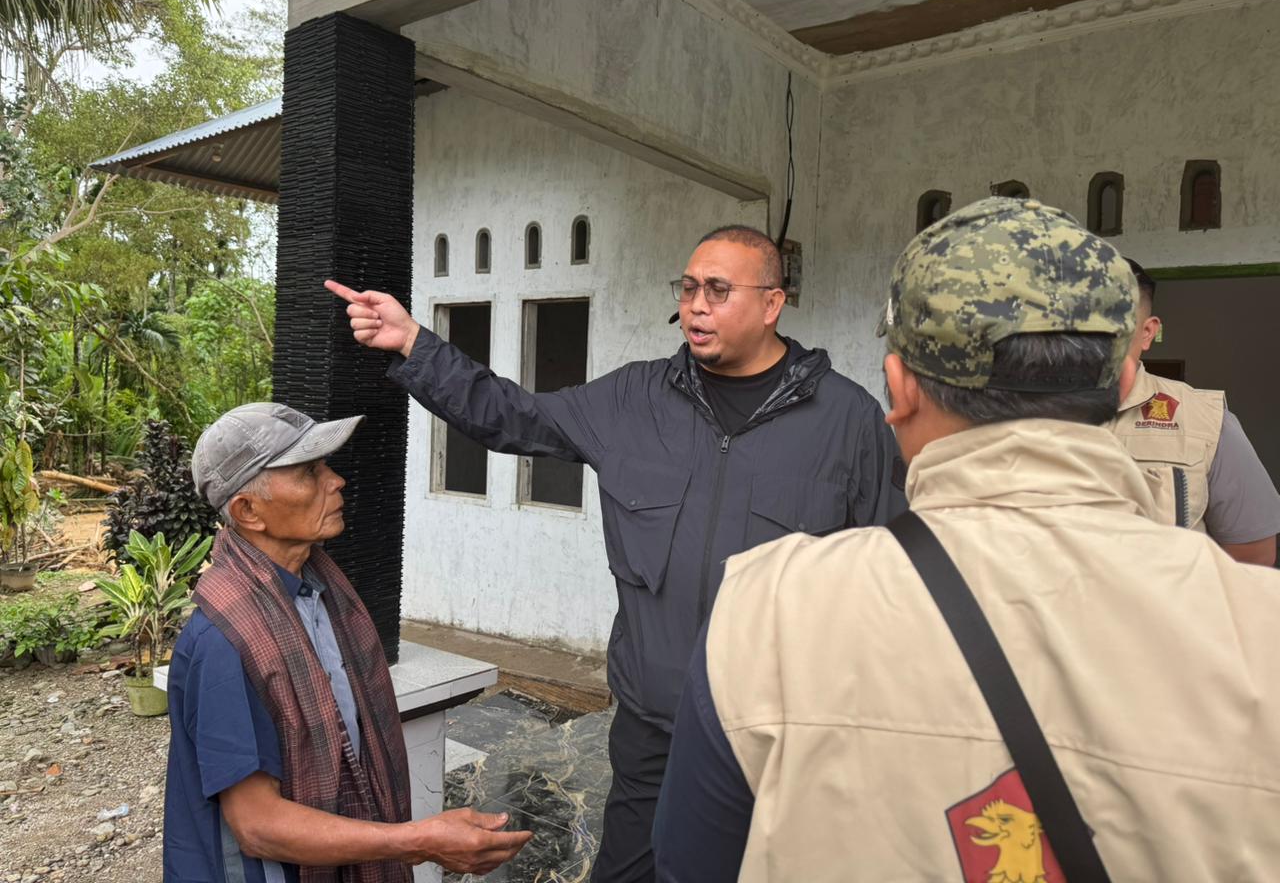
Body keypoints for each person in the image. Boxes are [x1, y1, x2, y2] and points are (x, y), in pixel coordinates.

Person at [652, 198, 1280, 881]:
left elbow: (692, 865)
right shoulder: (1261, 631)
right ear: (1125, 380)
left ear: (899, 392)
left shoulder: (769, 609)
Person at [326, 224, 906, 882]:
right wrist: (413, 344)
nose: (696, 306)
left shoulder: (848, 423)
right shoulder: (633, 398)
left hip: (780, 739)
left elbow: (894, 577)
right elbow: (514, 417)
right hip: (654, 729)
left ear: (773, 304)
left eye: (718, 290)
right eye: (688, 289)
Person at [164, 402, 530, 883]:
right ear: (248, 511)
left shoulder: (316, 591)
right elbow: (258, 827)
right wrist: (420, 839)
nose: (336, 480)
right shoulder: (226, 640)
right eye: (309, 472)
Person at [1108, 258, 1278, 565]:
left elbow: (1251, 556)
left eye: (1113, 326)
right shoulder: (1016, 412)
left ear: (1147, 333)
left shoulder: (1203, 419)